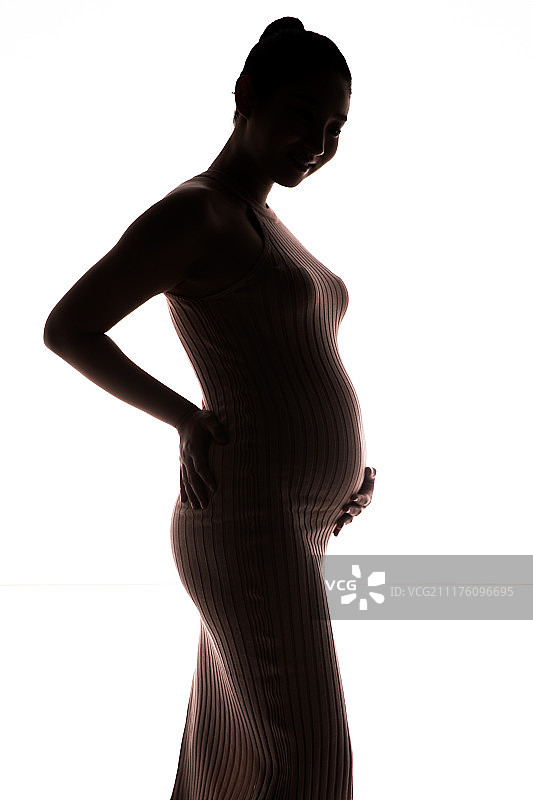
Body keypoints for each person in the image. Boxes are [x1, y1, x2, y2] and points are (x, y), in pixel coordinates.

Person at [43, 15, 376, 800]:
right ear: (246, 95)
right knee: (310, 768)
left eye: (334, 128)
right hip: (246, 518)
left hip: (290, 522)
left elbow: (284, 361)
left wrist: (335, 479)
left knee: (230, 764)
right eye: (301, 114)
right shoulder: (197, 212)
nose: (317, 142)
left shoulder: (265, 221)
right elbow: (69, 328)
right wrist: (185, 418)